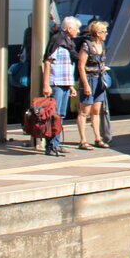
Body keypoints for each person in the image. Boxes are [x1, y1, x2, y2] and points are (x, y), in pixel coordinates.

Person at [41, 16, 81, 156]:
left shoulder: (68, 43)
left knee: (61, 114)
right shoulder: (57, 41)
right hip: (56, 83)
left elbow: (67, 67)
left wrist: (71, 86)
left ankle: (56, 143)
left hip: (64, 83)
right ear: (69, 29)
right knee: (54, 115)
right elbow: (47, 62)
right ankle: (50, 145)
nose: (78, 31)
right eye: (77, 28)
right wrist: (46, 84)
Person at [77, 20, 111, 150]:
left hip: (99, 80)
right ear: (98, 33)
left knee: (96, 111)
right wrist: (85, 85)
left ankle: (98, 138)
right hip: (90, 79)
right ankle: (83, 140)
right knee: (85, 111)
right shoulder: (86, 46)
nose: (106, 34)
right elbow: (81, 66)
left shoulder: (101, 44)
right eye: (104, 32)